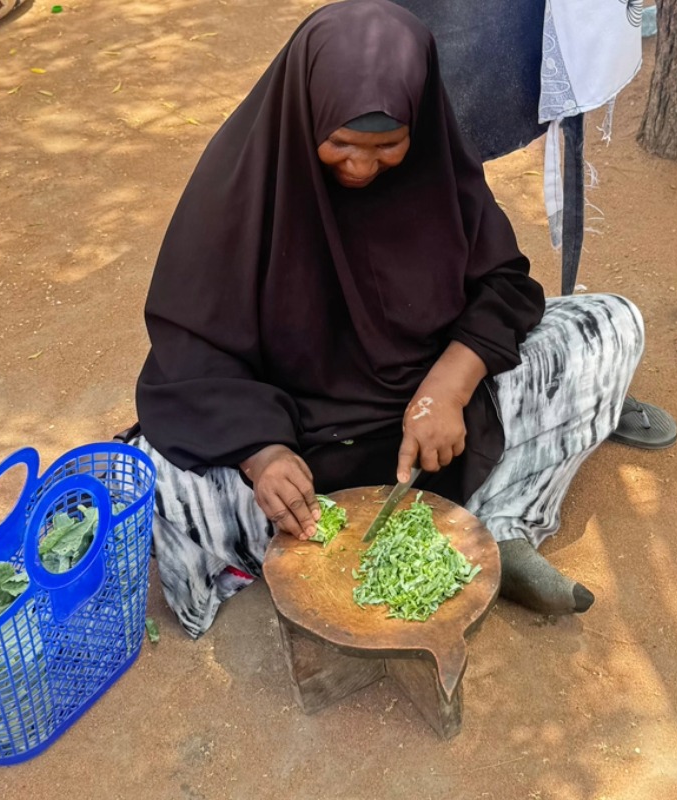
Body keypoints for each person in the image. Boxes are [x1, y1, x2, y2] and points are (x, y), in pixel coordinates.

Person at [121, 0, 644, 639]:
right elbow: (189, 353)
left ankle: (498, 527)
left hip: (435, 437)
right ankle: (315, 540)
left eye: (388, 146)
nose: (361, 167)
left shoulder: (437, 167)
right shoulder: (241, 189)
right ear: (304, 113)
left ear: (418, 124)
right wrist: (261, 454)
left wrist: (448, 387)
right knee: (145, 473)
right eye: (340, 143)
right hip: (303, 452)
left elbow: (505, 285)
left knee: (610, 324)